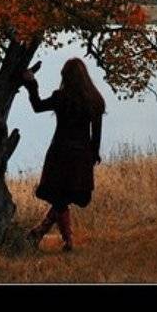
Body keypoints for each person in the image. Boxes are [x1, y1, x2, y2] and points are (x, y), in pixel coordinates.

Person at [21, 57, 106, 251]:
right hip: (81, 155)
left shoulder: (61, 97)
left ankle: (61, 238)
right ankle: (46, 234)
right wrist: (93, 155)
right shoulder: (95, 100)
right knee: (64, 197)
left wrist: (31, 84)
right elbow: (96, 134)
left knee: (59, 196)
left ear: (66, 77)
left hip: (60, 153)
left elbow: (37, 106)